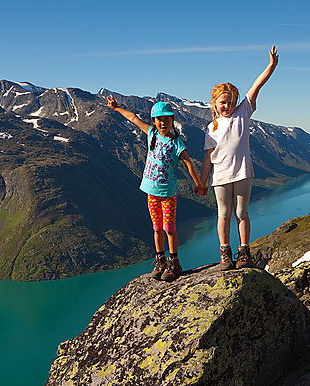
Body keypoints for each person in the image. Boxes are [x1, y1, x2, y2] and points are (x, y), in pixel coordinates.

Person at [107, 97, 207, 281]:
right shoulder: (151, 133)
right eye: (159, 119)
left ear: (172, 120)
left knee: (169, 228)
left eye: (167, 119)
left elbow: (188, 163)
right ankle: (160, 259)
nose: (163, 122)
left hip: (168, 194)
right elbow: (134, 119)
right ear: (154, 121)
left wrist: (198, 183)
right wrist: (116, 108)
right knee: (157, 228)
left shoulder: (176, 143)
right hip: (151, 192)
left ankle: (174, 262)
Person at [199, 46, 279, 270]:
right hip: (221, 177)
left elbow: (257, 85)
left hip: (243, 173)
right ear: (214, 103)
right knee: (223, 214)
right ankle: (225, 252)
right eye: (223, 102)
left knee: (242, 213)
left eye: (231, 102)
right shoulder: (210, 128)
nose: (228, 106)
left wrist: (271, 66)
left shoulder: (244, 111)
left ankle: (244, 252)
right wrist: (202, 182)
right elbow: (208, 158)